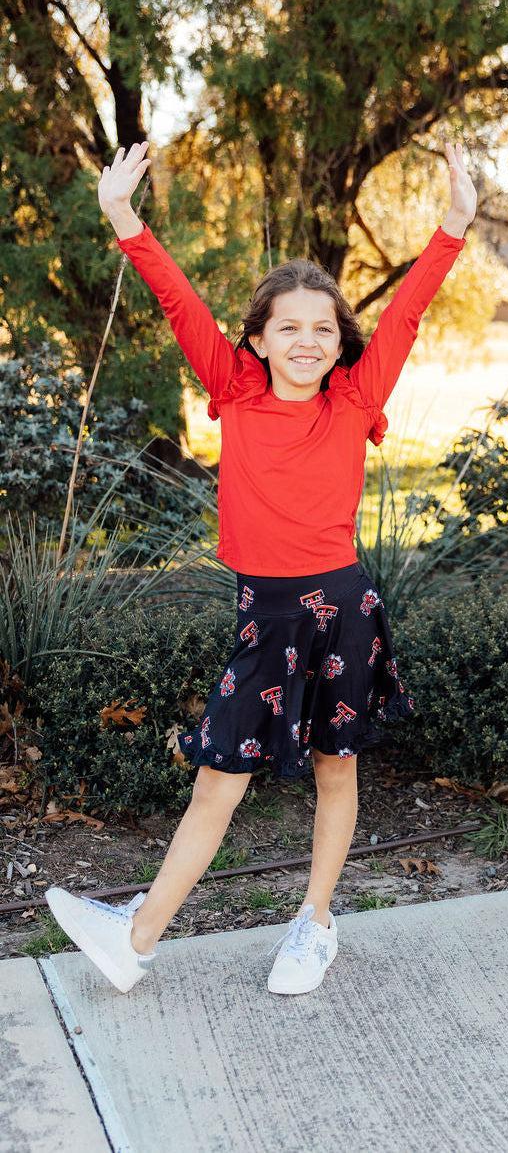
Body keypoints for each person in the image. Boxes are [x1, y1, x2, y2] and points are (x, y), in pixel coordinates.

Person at [46, 139, 476, 995]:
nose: (308, 340)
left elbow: (408, 314)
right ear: (258, 338)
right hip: (264, 615)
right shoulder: (234, 386)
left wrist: (454, 224)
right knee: (218, 776)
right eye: (289, 327)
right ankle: (136, 939)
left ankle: (314, 925)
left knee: (336, 768)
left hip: (343, 611)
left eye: (324, 328)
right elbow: (178, 302)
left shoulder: (355, 397)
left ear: (339, 341)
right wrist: (124, 218)